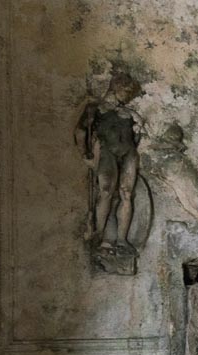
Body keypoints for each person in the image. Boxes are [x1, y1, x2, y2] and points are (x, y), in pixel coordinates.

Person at [75, 71, 146, 254]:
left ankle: (122, 239)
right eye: (127, 91)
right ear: (116, 87)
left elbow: (137, 138)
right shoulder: (95, 109)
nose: (128, 96)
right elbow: (80, 132)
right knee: (106, 191)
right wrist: (85, 154)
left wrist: (138, 126)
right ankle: (99, 236)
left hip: (129, 153)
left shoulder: (130, 113)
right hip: (107, 152)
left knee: (126, 193)